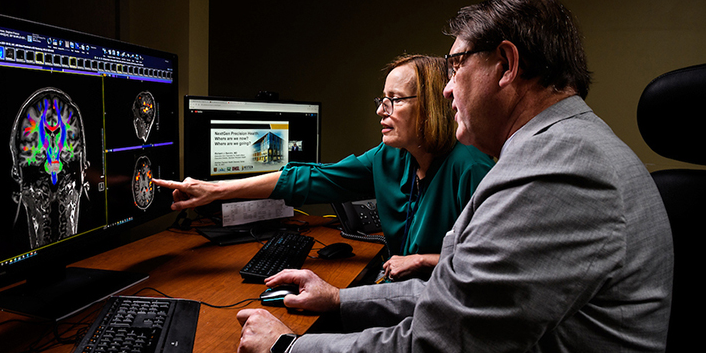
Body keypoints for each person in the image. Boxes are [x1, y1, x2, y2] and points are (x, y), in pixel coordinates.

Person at [235, 0, 674, 353]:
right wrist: (339, 299)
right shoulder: (559, 150)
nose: (446, 91)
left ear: (506, 65)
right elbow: (459, 295)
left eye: (456, 66)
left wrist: (285, 348)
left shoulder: (556, 172)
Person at [154, 54, 494, 280]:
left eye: (394, 100)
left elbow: (494, 266)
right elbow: (312, 178)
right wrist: (213, 190)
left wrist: (424, 260)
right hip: (399, 296)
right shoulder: (390, 157)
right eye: (382, 100)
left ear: (431, 105)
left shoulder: (470, 168)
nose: (381, 110)